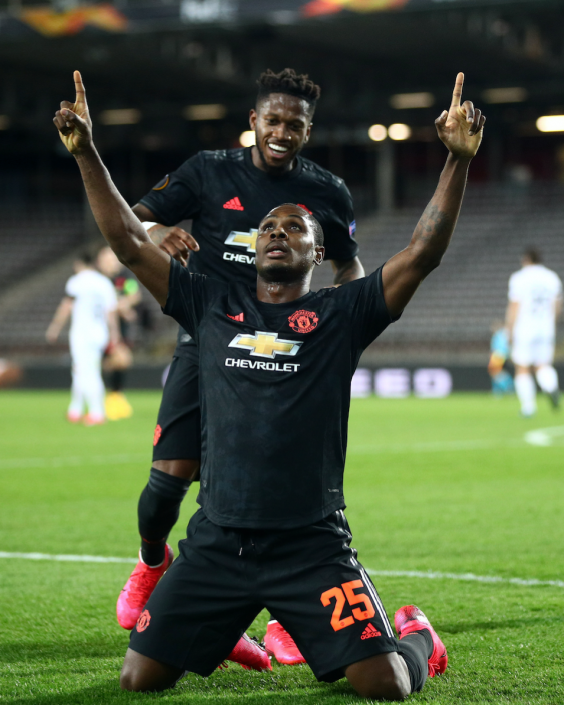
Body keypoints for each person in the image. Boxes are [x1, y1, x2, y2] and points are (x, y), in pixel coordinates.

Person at [54, 69, 484, 699]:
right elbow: (124, 236)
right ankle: (213, 620)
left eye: (295, 229)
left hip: (311, 546)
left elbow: (422, 251)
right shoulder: (206, 305)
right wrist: (88, 148)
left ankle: (419, 635)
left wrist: (456, 161)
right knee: (138, 679)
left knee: (386, 684)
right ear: (252, 246)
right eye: (268, 228)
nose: (278, 231)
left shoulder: (342, 315)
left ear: (319, 253)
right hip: (216, 542)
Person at [123, 67, 365, 665]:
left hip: (286, 350)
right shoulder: (208, 171)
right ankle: (154, 563)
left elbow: (349, 268)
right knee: (164, 486)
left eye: (296, 124)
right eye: (274, 120)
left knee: (281, 487)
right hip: (207, 340)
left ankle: (286, 613)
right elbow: (135, 220)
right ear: (254, 121)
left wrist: (345, 326)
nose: (283, 131)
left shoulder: (328, 191)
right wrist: (160, 231)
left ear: (308, 132)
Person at [46, 252, 120, 425]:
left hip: (82, 334)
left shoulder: (76, 281)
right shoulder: (103, 282)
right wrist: (115, 334)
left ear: (79, 264)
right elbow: (111, 312)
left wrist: (54, 328)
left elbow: (66, 306)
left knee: (88, 372)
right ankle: (75, 409)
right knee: (80, 370)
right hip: (100, 333)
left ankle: (97, 412)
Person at [506, 247, 562, 417]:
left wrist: (509, 330)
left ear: (526, 259)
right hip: (546, 327)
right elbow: (557, 305)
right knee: (543, 365)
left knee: (522, 367)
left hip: (525, 327)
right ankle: (550, 386)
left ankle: (528, 407)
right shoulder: (552, 277)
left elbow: (514, 305)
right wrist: (551, 324)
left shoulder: (519, 277)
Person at [97, 246, 141, 421]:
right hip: (99, 329)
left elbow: (134, 295)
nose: (110, 262)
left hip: (119, 330)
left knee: (120, 361)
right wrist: (120, 308)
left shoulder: (124, 278)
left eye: (112, 258)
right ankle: (105, 400)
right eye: (106, 259)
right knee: (108, 362)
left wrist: (123, 304)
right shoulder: (97, 279)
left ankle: (114, 397)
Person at [488, 321, 513, 396]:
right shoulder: (503, 333)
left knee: (495, 372)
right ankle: (498, 390)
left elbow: (500, 346)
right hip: (500, 354)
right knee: (496, 372)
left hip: (498, 355)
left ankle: (508, 387)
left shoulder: (500, 334)